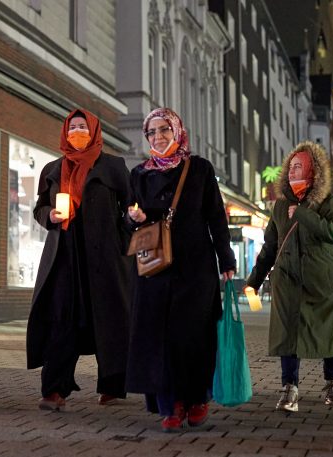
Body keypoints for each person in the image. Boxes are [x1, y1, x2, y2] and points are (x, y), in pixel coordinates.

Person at [125, 107, 236, 432]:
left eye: (164, 130)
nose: (158, 137)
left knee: (193, 335)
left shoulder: (198, 168)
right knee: (158, 337)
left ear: (177, 130)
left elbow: (216, 216)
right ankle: (169, 403)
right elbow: (128, 217)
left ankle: (197, 398)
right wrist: (132, 219)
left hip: (195, 267)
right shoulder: (140, 173)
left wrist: (226, 260)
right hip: (154, 266)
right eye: (152, 132)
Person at [26, 109, 133, 411]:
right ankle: (54, 389)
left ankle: (113, 386)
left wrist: (129, 228)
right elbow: (40, 208)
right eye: (72, 127)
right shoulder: (53, 169)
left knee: (108, 319)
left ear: (95, 131)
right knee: (62, 319)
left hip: (105, 259)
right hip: (65, 258)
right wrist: (50, 215)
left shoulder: (113, 167)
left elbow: (129, 207)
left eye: (83, 126)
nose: (77, 131)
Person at [246, 141, 333, 413]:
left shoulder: (328, 202)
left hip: (324, 284)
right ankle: (289, 387)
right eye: (291, 166)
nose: (293, 171)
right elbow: (270, 246)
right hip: (288, 281)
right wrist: (253, 282)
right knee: (288, 334)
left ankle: (332, 382)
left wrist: (305, 215)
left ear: (312, 170)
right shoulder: (280, 206)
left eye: (299, 166)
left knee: (328, 332)